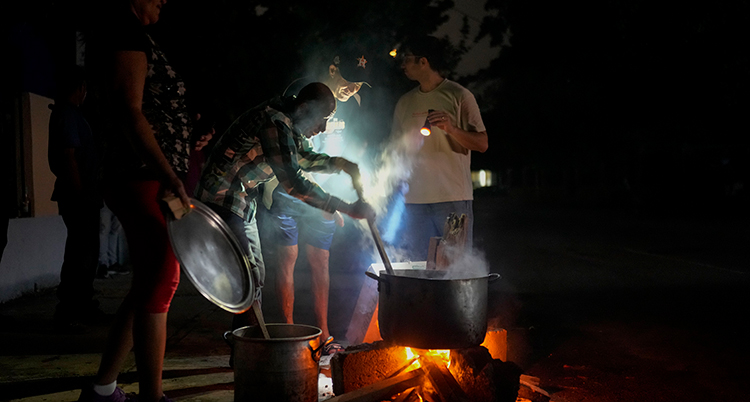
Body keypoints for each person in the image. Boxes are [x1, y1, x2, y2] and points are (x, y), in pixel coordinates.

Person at [78, 0, 199, 401]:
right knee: (163, 279)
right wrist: (168, 174)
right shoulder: (123, 34)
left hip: (143, 173)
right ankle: (152, 396)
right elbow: (130, 111)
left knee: (148, 282)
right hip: (140, 174)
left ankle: (103, 388)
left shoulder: (128, 33)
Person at [195, 82, 375, 345]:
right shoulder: (274, 121)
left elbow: (303, 157)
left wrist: (341, 164)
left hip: (241, 202)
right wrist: (346, 207)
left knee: (254, 277)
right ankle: (248, 348)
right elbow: (293, 181)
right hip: (223, 199)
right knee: (250, 276)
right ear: (303, 108)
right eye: (322, 119)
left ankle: (244, 345)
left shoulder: (287, 122)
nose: (323, 128)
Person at [262, 53, 372, 354]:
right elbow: (290, 154)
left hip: (324, 190)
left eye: (358, 85)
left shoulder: (355, 106)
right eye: (349, 82)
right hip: (288, 188)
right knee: (287, 258)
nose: (353, 89)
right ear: (333, 70)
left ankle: (323, 334)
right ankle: (289, 332)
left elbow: (357, 144)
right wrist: (335, 204)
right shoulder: (303, 91)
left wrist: (338, 192)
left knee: (320, 261)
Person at [390, 36, 489, 261]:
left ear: (423, 62)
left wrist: (452, 129)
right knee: (419, 269)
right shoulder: (405, 103)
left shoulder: (459, 95)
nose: (403, 65)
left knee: (454, 271)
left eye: (407, 59)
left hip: (452, 200)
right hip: (414, 202)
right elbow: (394, 150)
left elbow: (482, 143)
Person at [47, 65, 108, 327]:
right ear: (81, 87)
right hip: (80, 195)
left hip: (83, 193)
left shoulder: (72, 114)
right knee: (81, 253)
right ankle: (73, 308)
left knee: (84, 251)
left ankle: (81, 305)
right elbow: (69, 156)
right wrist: (81, 191)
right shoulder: (68, 115)